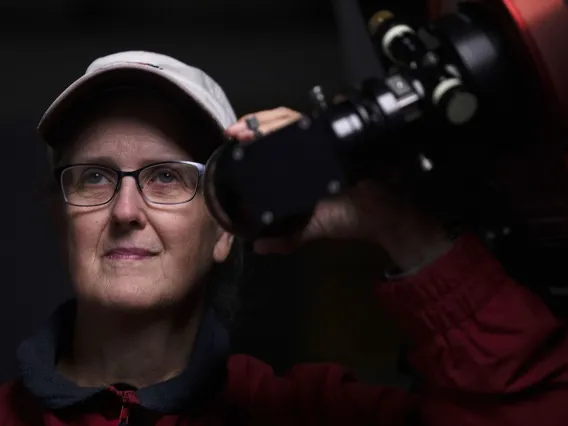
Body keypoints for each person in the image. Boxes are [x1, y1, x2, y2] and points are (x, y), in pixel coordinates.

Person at [0, 50, 566, 426]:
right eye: (95, 176)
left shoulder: (308, 413)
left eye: (168, 176)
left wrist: (391, 221)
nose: (126, 210)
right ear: (61, 217)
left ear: (225, 228)